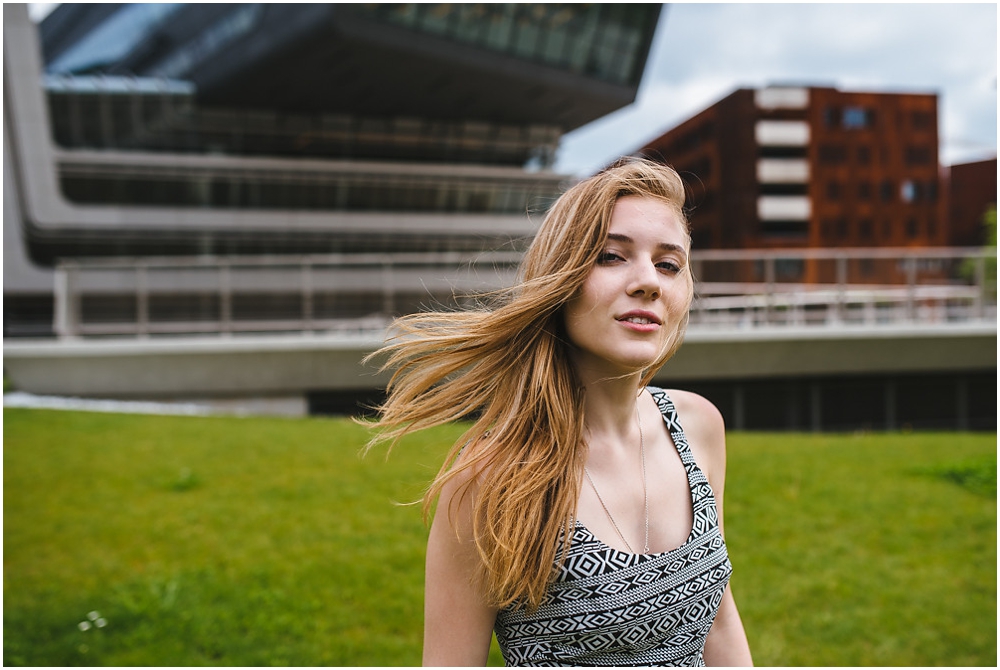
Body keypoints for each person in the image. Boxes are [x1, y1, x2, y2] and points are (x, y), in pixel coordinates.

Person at [366, 158, 753, 666]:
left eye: (668, 264)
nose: (648, 282)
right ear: (560, 280)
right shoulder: (489, 481)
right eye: (613, 257)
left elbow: (718, 618)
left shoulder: (698, 425)